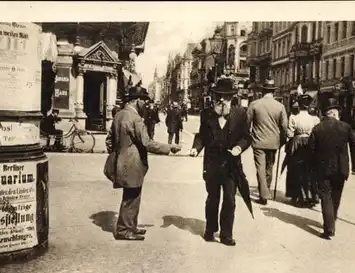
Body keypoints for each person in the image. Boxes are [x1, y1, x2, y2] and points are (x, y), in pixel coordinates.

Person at [104, 85, 181, 241]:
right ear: (136, 100)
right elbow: (147, 143)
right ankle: (124, 230)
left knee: (132, 194)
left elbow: (109, 141)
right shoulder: (135, 118)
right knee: (131, 197)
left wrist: (120, 154)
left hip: (122, 161)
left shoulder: (119, 115)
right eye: (143, 100)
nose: (145, 104)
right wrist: (169, 147)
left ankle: (130, 226)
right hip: (133, 163)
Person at [189, 77, 252, 246]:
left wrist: (239, 147)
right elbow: (201, 136)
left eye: (226, 97)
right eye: (218, 96)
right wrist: (196, 148)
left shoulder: (240, 114)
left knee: (230, 200)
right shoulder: (206, 114)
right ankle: (210, 229)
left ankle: (226, 234)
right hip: (212, 164)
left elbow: (247, 137)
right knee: (213, 198)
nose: (222, 100)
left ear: (232, 98)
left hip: (231, 165)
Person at [308, 98, 355, 240]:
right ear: (336, 113)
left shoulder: (318, 128)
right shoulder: (345, 127)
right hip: (341, 168)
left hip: (323, 169)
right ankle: (333, 219)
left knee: (325, 197)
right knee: (336, 196)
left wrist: (312, 168)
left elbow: (311, 150)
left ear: (326, 114)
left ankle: (329, 228)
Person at [246, 79, 288, 205]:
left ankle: (263, 195)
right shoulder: (280, 106)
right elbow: (284, 126)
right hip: (274, 142)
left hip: (258, 141)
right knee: (269, 167)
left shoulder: (254, 104)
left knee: (260, 168)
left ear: (263, 91)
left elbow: (247, 123)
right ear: (273, 92)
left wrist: (248, 136)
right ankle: (266, 190)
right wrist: (282, 140)